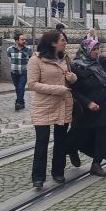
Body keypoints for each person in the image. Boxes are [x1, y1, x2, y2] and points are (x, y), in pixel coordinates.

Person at [27, 30, 77, 187]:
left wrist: (72, 78)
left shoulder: (66, 57)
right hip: (43, 106)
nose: (65, 42)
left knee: (60, 141)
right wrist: (58, 89)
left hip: (63, 104)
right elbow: (32, 84)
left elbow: (73, 78)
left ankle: (58, 172)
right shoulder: (36, 60)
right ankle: (38, 177)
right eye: (62, 40)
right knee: (42, 141)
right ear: (53, 43)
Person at [68, 39, 106, 178]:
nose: (97, 52)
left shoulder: (102, 62)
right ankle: (72, 149)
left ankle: (96, 164)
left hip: (105, 104)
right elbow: (74, 90)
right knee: (78, 135)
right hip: (87, 109)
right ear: (85, 50)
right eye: (94, 49)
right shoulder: (75, 67)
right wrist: (88, 103)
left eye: (97, 49)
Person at [7, 32, 31, 110]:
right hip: (14, 72)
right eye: (22, 39)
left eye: (25, 39)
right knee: (17, 88)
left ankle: (18, 103)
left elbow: (31, 59)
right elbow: (9, 57)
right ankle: (22, 102)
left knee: (21, 87)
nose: (24, 41)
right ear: (16, 41)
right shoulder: (10, 49)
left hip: (24, 72)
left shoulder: (28, 49)